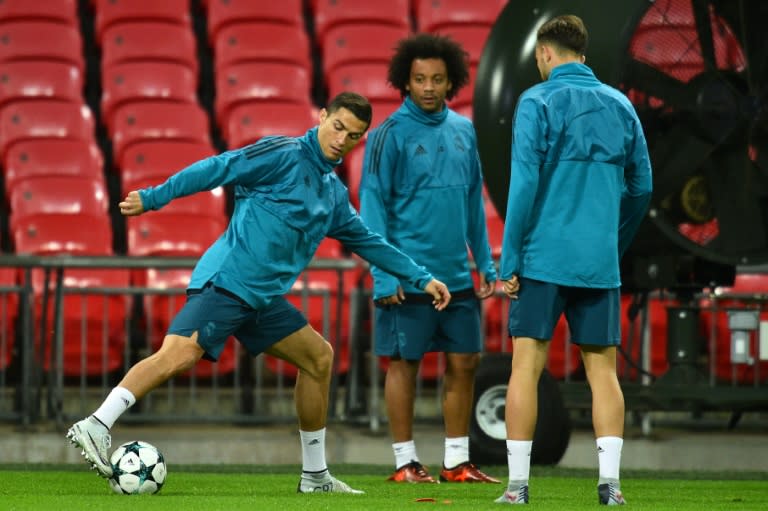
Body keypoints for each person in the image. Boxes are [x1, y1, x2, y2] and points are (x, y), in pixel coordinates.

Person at [66, 92, 452, 494]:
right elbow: (221, 167)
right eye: (338, 126)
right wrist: (154, 197)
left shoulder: (333, 195)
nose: (342, 138)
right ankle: (96, 424)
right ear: (322, 117)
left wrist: (420, 278)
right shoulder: (283, 154)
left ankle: (315, 476)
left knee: (318, 359)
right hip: (228, 282)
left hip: (262, 299)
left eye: (353, 135)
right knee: (178, 354)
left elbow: (368, 241)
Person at [495, 15, 652, 505]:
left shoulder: (536, 100)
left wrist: (511, 258)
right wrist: (613, 241)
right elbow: (642, 188)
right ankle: (610, 486)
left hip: (542, 258)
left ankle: (518, 488)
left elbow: (522, 185)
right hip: (597, 260)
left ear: (545, 53)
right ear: (582, 53)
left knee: (526, 368)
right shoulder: (622, 104)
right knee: (602, 372)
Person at [359, 33, 499, 484]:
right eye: (419, 78)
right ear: (405, 81)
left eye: (437, 79)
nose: (428, 87)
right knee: (404, 364)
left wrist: (486, 264)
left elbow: (473, 203)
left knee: (464, 362)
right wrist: (384, 276)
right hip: (408, 278)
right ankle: (405, 464)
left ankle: (456, 462)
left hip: (457, 277)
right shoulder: (387, 137)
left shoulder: (464, 130)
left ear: (451, 81)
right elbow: (373, 211)